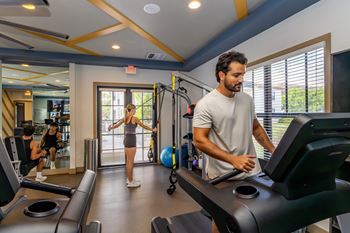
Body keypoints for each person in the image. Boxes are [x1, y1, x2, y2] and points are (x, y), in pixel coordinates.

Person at [192, 51, 275, 233]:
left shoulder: (247, 99)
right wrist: (233, 159)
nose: (241, 79)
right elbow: (199, 140)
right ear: (222, 75)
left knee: (252, 219)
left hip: (252, 171)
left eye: (243, 74)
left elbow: (256, 128)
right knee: (223, 221)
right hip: (222, 176)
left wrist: (273, 149)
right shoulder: (206, 104)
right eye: (236, 75)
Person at [108, 103, 157, 188]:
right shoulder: (135, 118)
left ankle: (130, 179)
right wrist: (153, 129)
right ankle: (130, 182)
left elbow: (116, 125)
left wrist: (110, 128)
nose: (135, 111)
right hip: (131, 140)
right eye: (135, 109)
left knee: (128, 162)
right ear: (132, 110)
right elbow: (144, 126)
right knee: (131, 162)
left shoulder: (125, 118)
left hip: (126, 140)